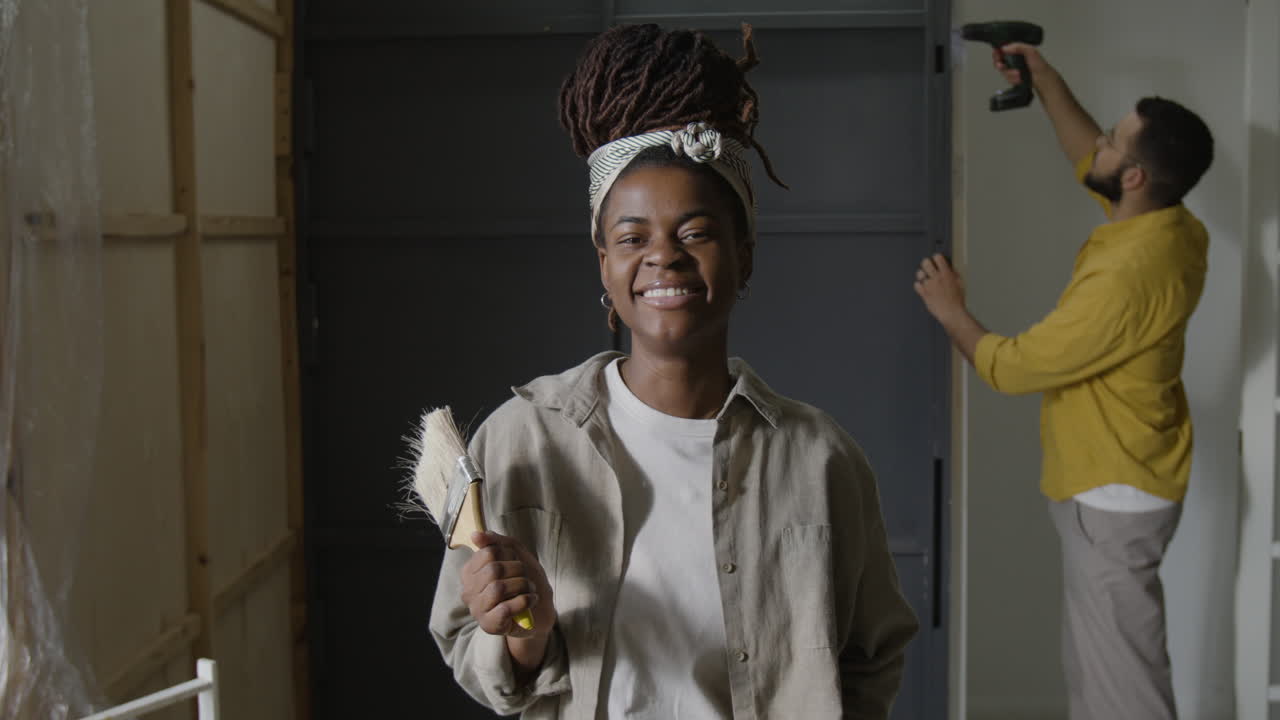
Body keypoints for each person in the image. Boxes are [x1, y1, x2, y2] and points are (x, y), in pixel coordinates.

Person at [430, 23, 919, 719]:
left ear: (743, 256)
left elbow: (873, 656)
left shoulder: (820, 459)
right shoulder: (519, 441)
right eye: (632, 237)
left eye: (696, 232)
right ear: (605, 265)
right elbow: (471, 650)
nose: (664, 257)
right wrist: (522, 635)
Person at [914, 42, 1214, 720]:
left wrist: (951, 311)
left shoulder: (1127, 275)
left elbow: (1012, 367)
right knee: (1102, 669)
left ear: (1134, 177)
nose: (1099, 145)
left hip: (1113, 492)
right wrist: (1045, 81)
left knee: (1124, 688)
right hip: (1122, 480)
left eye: (1113, 141)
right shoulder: (1172, 225)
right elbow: (1090, 160)